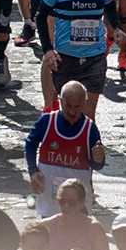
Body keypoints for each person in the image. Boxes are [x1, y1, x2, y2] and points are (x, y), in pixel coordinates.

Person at [39, 0, 115, 112]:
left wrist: (116, 27)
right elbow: (40, 16)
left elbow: (110, 8)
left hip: (95, 56)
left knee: (88, 114)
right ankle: (51, 110)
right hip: (65, 57)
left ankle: (92, 140)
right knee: (68, 113)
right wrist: (48, 49)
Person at [25, 81, 106, 220]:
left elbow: (97, 165)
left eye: (77, 107)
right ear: (61, 101)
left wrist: (99, 159)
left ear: (85, 103)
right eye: (68, 106)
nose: (72, 112)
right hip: (49, 203)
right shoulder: (46, 121)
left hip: (78, 207)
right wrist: (33, 171)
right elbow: (30, 144)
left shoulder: (90, 129)